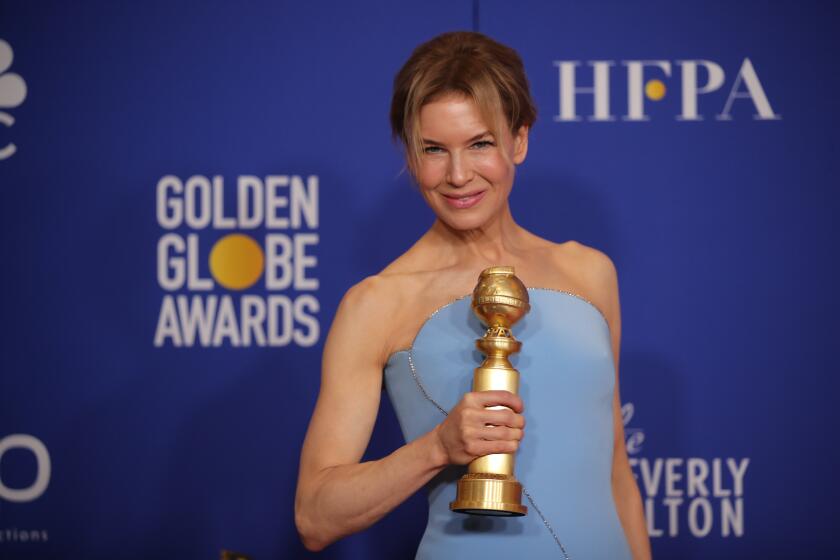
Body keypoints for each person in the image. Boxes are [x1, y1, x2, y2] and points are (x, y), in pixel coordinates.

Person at [295, 31, 652, 559]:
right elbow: (314, 516)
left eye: (480, 144)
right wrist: (436, 448)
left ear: (520, 139)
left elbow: (615, 471)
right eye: (433, 150)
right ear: (411, 156)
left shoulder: (589, 272)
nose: (458, 175)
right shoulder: (376, 304)